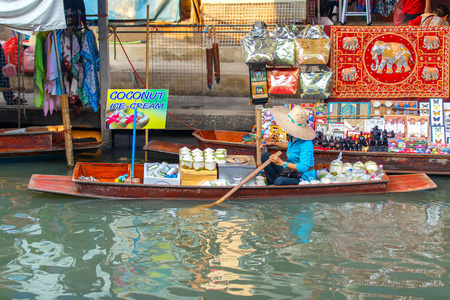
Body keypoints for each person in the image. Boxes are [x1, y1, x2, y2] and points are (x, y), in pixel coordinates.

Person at [262, 105, 316, 185]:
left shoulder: (306, 143)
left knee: (279, 181)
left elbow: (303, 167)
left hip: (302, 176)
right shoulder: (293, 136)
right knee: (265, 156)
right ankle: (271, 184)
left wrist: (281, 163)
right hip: (290, 171)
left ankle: (276, 185)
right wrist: (274, 143)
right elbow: (291, 146)